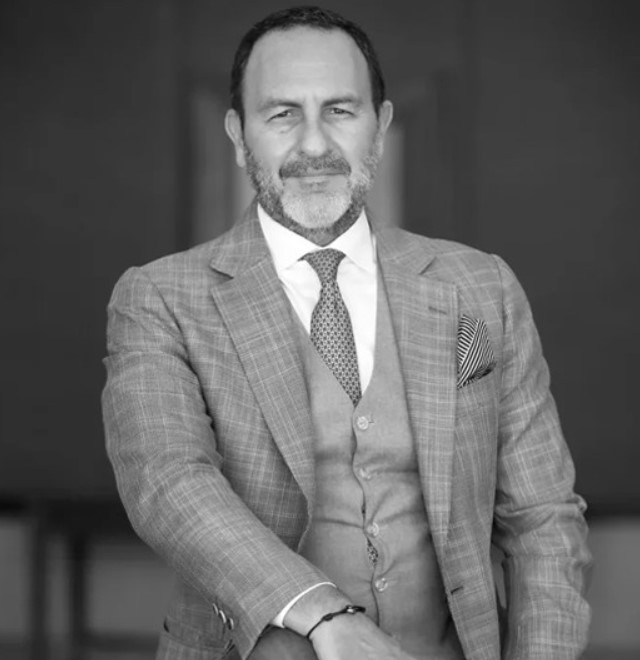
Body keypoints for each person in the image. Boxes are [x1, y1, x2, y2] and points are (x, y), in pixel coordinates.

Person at [102, 6, 591, 660]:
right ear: (239, 135)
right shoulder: (160, 298)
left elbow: (543, 519)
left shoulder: (483, 286)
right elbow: (169, 486)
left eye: (339, 110)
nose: (314, 146)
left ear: (380, 126)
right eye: (282, 114)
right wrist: (323, 614)